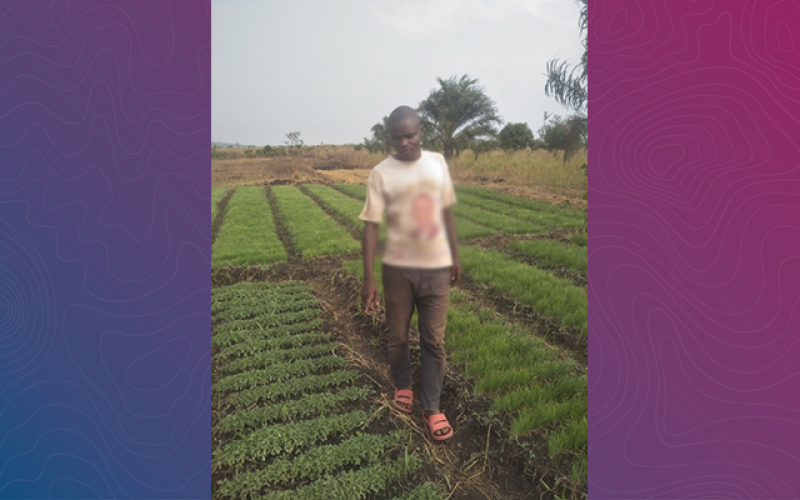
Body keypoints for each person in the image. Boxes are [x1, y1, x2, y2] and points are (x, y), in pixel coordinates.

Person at [359, 105, 461, 441]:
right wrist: (369, 278)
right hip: (398, 272)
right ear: (389, 138)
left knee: (434, 341)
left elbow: (445, 211)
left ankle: (431, 407)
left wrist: (455, 256)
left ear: (421, 131)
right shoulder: (380, 174)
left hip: (435, 270)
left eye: (410, 135)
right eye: (396, 137)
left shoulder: (436, 164)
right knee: (398, 337)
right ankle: (402, 384)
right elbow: (372, 226)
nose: (404, 142)